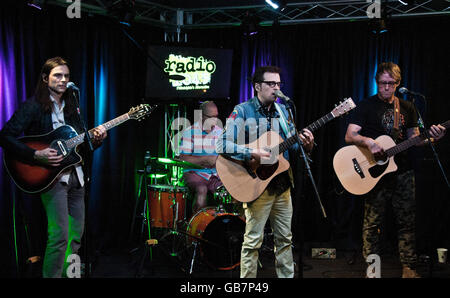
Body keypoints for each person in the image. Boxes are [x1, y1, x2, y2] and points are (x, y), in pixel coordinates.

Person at [0, 57, 107, 278]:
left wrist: (96, 140)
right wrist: (35, 154)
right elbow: (5, 136)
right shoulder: (33, 106)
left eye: (66, 76)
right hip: (51, 180)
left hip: (76, 178)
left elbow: (81, 148)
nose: (63, 79)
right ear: (45, 78)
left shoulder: (73, 106)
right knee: (59, 236)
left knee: (76, 236)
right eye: (57, 75)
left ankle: (70, 275)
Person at [344, 62, 446, 278]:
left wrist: (432, 138)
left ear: (399, 83)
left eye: (391, 83)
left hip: (403, 172)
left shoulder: (408, 107)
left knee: (407, 221)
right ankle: (372, 269)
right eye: (382, 83)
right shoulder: (366, 105)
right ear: (377, 83)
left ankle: (408, 268)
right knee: (371, 224)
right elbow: (350, 135)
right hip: (374, 174)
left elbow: (414, 139)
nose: (387, 87)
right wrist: (369, 142)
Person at [216, 66, 314, 278]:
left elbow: (291, 148)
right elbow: (221, 144)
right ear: (257, 86)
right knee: (252, 242)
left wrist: (306, 145)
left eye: (278, 84)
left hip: (282, 186)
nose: (276, 88)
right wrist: (251, 152)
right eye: (271, 84)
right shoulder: (242, 111)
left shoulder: (284, 111)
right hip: (256, 184)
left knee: (285, 240)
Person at [178, 101, 223, 214]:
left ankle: (226, 225)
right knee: (201, 189)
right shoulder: (190, 132)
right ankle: (198, 227)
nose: (215, 120)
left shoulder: (220, 133)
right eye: (211, 117)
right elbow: (183, 159)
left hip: (215, 175)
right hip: (195, 173)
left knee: (230, 191)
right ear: (202, 116)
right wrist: (204, 160)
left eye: (216, 116)